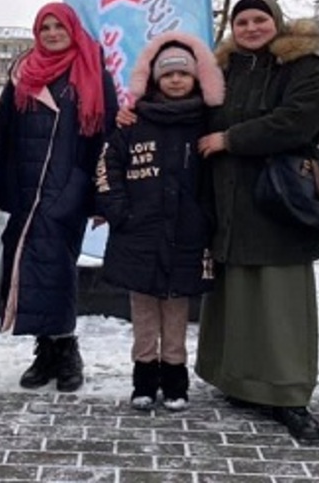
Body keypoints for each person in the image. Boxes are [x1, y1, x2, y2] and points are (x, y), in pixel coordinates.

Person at [194, 0, 319, 443]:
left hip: (279, 202)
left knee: (279, 302)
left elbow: (296, 121)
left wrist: (230, 139)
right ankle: (240, 381)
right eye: (242, 21)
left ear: (276, 22)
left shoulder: (304, 67)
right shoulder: (224, 71)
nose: (251, 28)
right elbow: (192, 114)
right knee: (238, 297)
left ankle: (289, 394)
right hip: (230, 202)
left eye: (260, 19)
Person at [0, 2, 118, 393]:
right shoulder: (22, 74)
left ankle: (66, 348)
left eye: (60, 27)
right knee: (30, 270)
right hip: (24, 190)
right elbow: (2, 136)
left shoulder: (93, 73)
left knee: (57, 269)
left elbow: (107, 140)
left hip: (68, 189)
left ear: (73, 30)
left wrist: (101, 198)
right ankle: (46, 351)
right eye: (46, 27)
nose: (53, 33)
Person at [96, 33, 223, 411]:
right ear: (155, 79)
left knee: (177, 310)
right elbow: (108, 168)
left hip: (187, 234)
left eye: (183, 74)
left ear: (195, 78)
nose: (176, 80)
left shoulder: (206, 123)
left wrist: (206, 218)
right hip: (139, 235)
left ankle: (175, 381)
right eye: (168, 75)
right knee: (143, 310)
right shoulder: (133, 122)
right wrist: (120, 213)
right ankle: (144, 380)